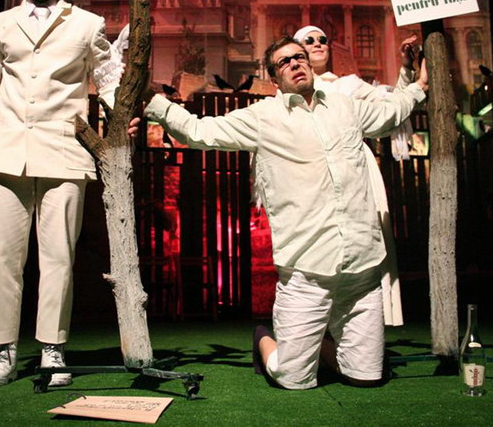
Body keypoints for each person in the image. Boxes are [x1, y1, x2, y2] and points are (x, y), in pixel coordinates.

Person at [130, 37, 428, 390]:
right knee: (294, 379)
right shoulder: (263, 117)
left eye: (299, 57)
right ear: (274, 78)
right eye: (284, 62)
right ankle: (263, 337)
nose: (295, 64)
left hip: (361, 267)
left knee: (366, 377)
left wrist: (419, 85)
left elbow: (392, 111)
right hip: (306, 268)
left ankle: (326, 351)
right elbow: (199, 131)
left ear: (310, 64)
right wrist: (153, 102)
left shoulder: (346, 106)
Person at [0, 0, 121, 387]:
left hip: (65, 151)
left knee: (58, 258)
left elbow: (109, 79)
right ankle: (3, 350)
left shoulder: (88, 24)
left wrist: (122, 117)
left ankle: (53, 349)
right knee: (2, 259)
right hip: (8, 151)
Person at [293, 25, 420, 327]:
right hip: (314, 171)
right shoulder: (290, 92)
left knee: (362, 239)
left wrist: (406, 68)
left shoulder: (349, 85)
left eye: (323, 39)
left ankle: (362, 319)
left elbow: (392, 103)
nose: (318, 44)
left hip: (356, 170)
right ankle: (320, 323)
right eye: (309, 40)